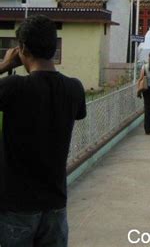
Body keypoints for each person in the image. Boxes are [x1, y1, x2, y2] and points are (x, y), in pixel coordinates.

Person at [0, 15, 86, 246]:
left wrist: (5, 65)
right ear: (53, 48)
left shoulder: (13, 87)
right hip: (55, 204)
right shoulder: (74, 88)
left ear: (22, 49)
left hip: (16, 206)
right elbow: (78, 113)